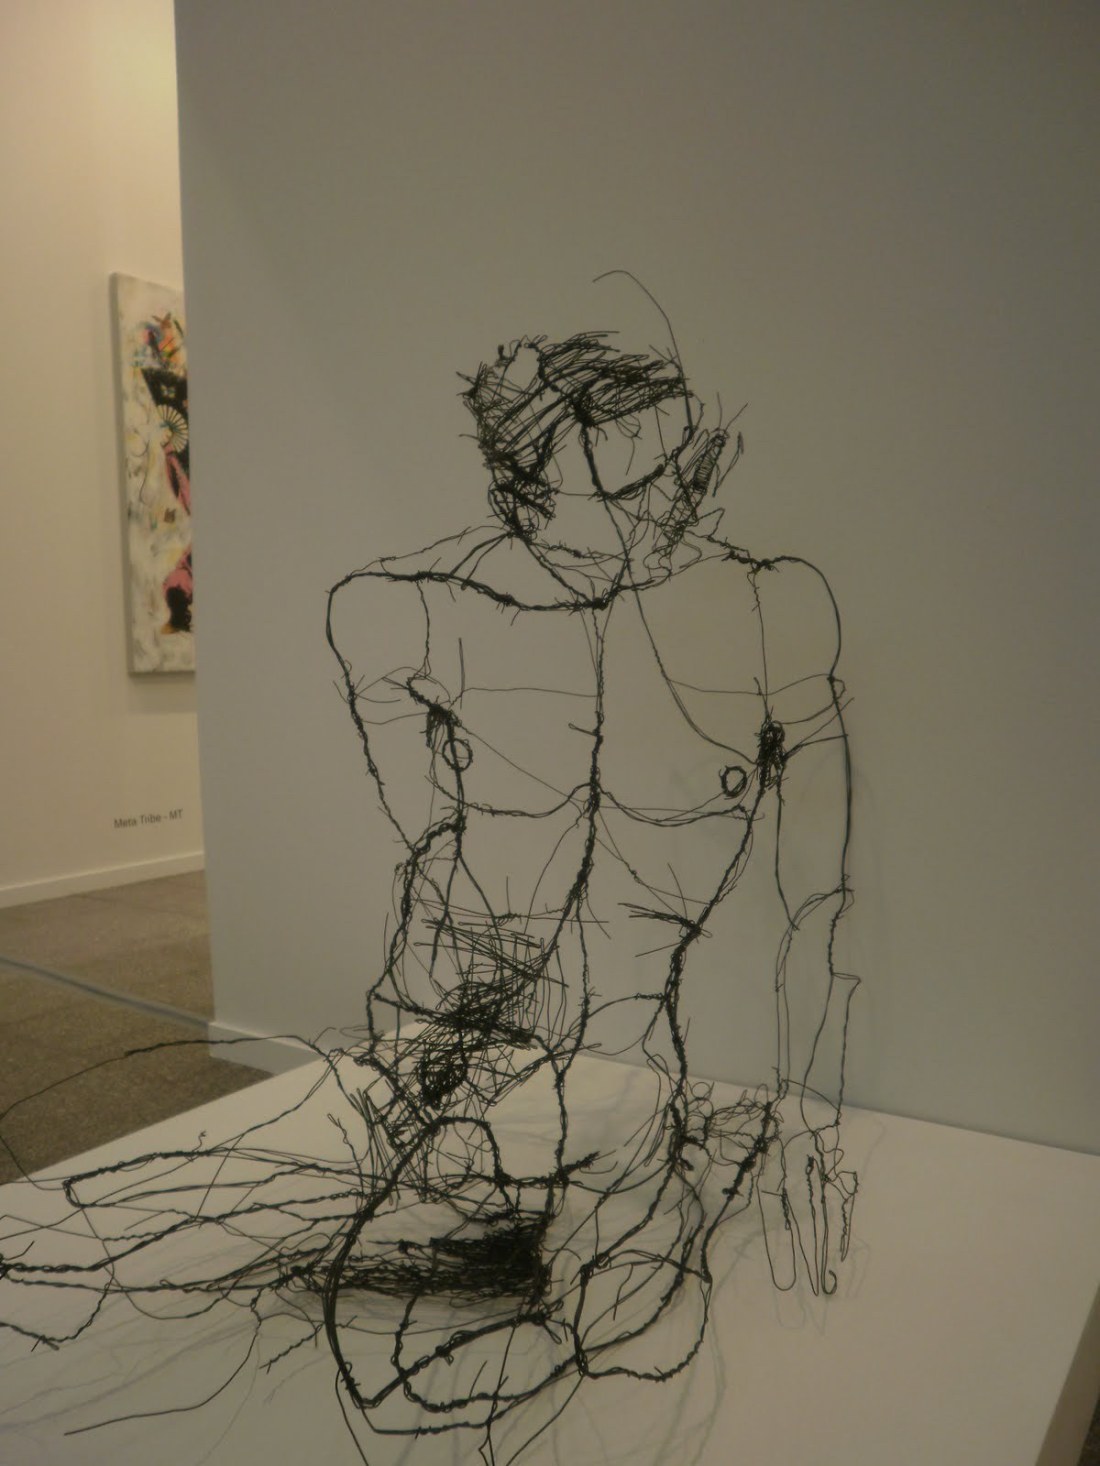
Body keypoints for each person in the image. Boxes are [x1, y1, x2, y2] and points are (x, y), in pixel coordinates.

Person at [324, 328, 857, 1424]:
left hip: (631, 1080)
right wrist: (447, 902)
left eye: (678, 465)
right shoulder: (418, 608)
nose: (673, 503)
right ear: (526, 501)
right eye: (623, 482)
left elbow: (814, 899)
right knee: (388, 1356)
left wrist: (806, 1109)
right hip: (465, 1057)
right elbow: (410, 790)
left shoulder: (767, 613)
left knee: (587, 1351)